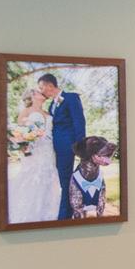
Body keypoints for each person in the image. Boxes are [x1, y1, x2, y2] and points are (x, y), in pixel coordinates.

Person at [6, 89, 60, 223]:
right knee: (32, 177)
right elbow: (18, 133)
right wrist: (24, 144)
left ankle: (47, 214)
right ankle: (28, 214)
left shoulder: (49, 113)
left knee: (48, 177)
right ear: (32, 96)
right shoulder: (26, 112)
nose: (42, 92)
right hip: (34, 151)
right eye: (38, 91)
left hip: (49, 150)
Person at [39, 72, 88, 220]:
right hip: (55, 147)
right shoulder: (52, 104)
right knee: (62, 179)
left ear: (49, 85)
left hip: (68, 146)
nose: (41, 91)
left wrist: (80, 146)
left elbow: (79, 122)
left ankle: (65, 214)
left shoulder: (71, 97)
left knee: (65, 179)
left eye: (41, 87)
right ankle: (67, 209)